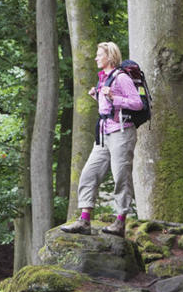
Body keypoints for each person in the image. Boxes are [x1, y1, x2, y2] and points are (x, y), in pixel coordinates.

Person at [61, 41, 143, 236]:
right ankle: (84, 220)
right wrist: (97, 96)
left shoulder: (121, 78)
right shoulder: (103, 78)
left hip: (122, 133)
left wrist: (115, 97)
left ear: (110, 57)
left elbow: (137, 103)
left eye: (100, 55)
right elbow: (108, 107)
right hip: (104, 134)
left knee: (120, 176)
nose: (96, 58)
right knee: (89, 173)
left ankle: (120, 222)